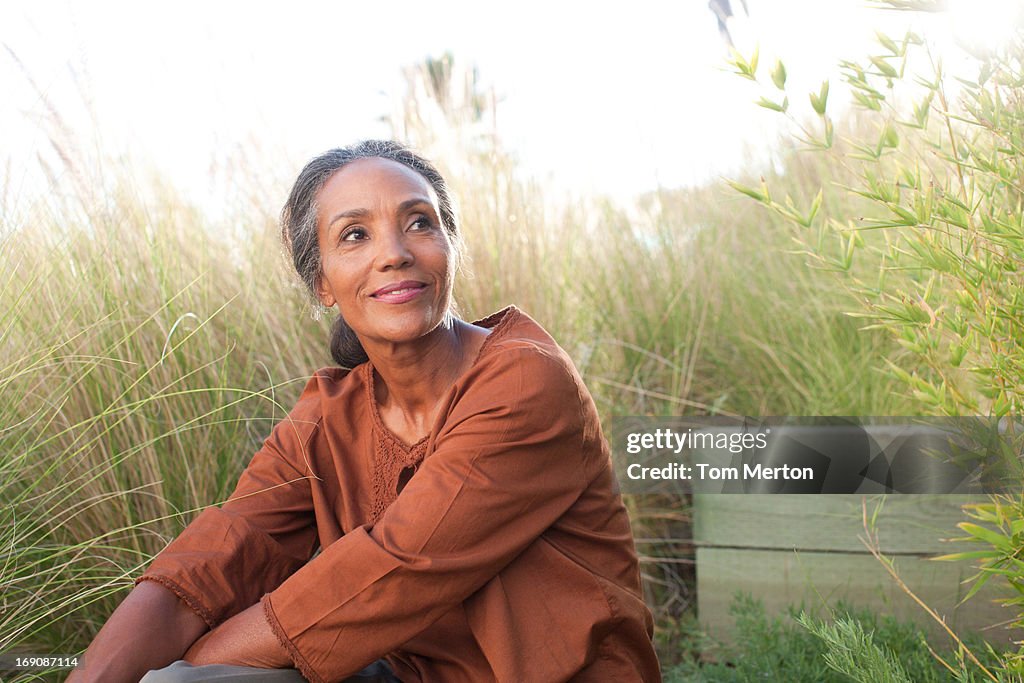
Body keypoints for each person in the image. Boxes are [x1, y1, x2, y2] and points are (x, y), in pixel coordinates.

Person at [69, 140, 662, 683]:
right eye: (355, 235)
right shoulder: (328, 418)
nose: (395, 254)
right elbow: (221, 555)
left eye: (419, 223)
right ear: (322, 282)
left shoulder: (524, 379)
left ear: (449, 249)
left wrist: (184, 668)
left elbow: (397, 568)